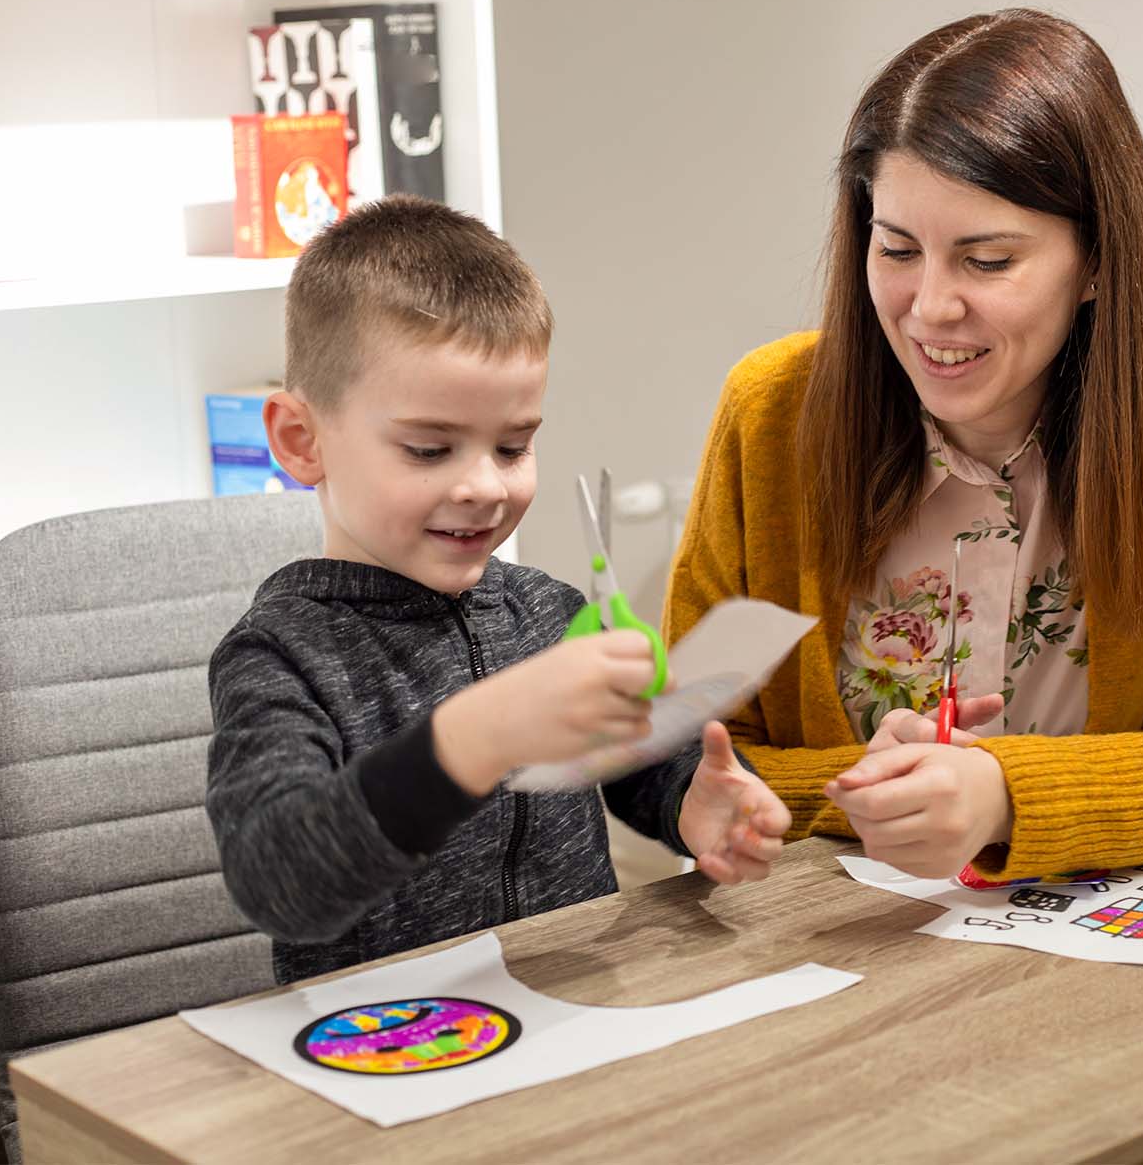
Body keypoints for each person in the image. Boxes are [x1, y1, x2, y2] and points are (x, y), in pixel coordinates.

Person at [665, 9, 1143, 883]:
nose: (930, 307)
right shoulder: (771, 411)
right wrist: (878, 791)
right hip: (835, 947)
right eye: (897, 248)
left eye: (987, 262)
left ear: (1096, 263)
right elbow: (684, 758)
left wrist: (1003, 792)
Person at [208, 196, 788, 985]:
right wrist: (474, 738)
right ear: (301, 441)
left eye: (513, 446)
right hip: (400, 1051)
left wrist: (693, 802)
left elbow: (632, 761)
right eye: (429, 448)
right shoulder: (281, 654)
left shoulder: (544, 612)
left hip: (571, 1015)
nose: (484, 485)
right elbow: (281, 880)